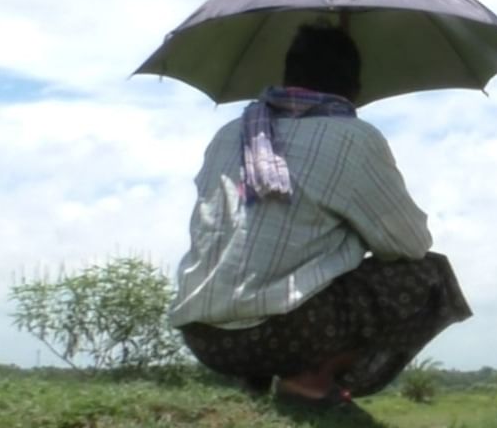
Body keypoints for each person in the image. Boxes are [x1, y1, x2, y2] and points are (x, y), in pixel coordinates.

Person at [168, 23, 471, 404]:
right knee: (429, 276)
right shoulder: (352, 138)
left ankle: (256, 385)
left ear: (288, 76)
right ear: (355, 88)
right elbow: (411, 243)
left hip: (203, 337)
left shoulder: (231, 133)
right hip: (285, 334)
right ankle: (310, 381)